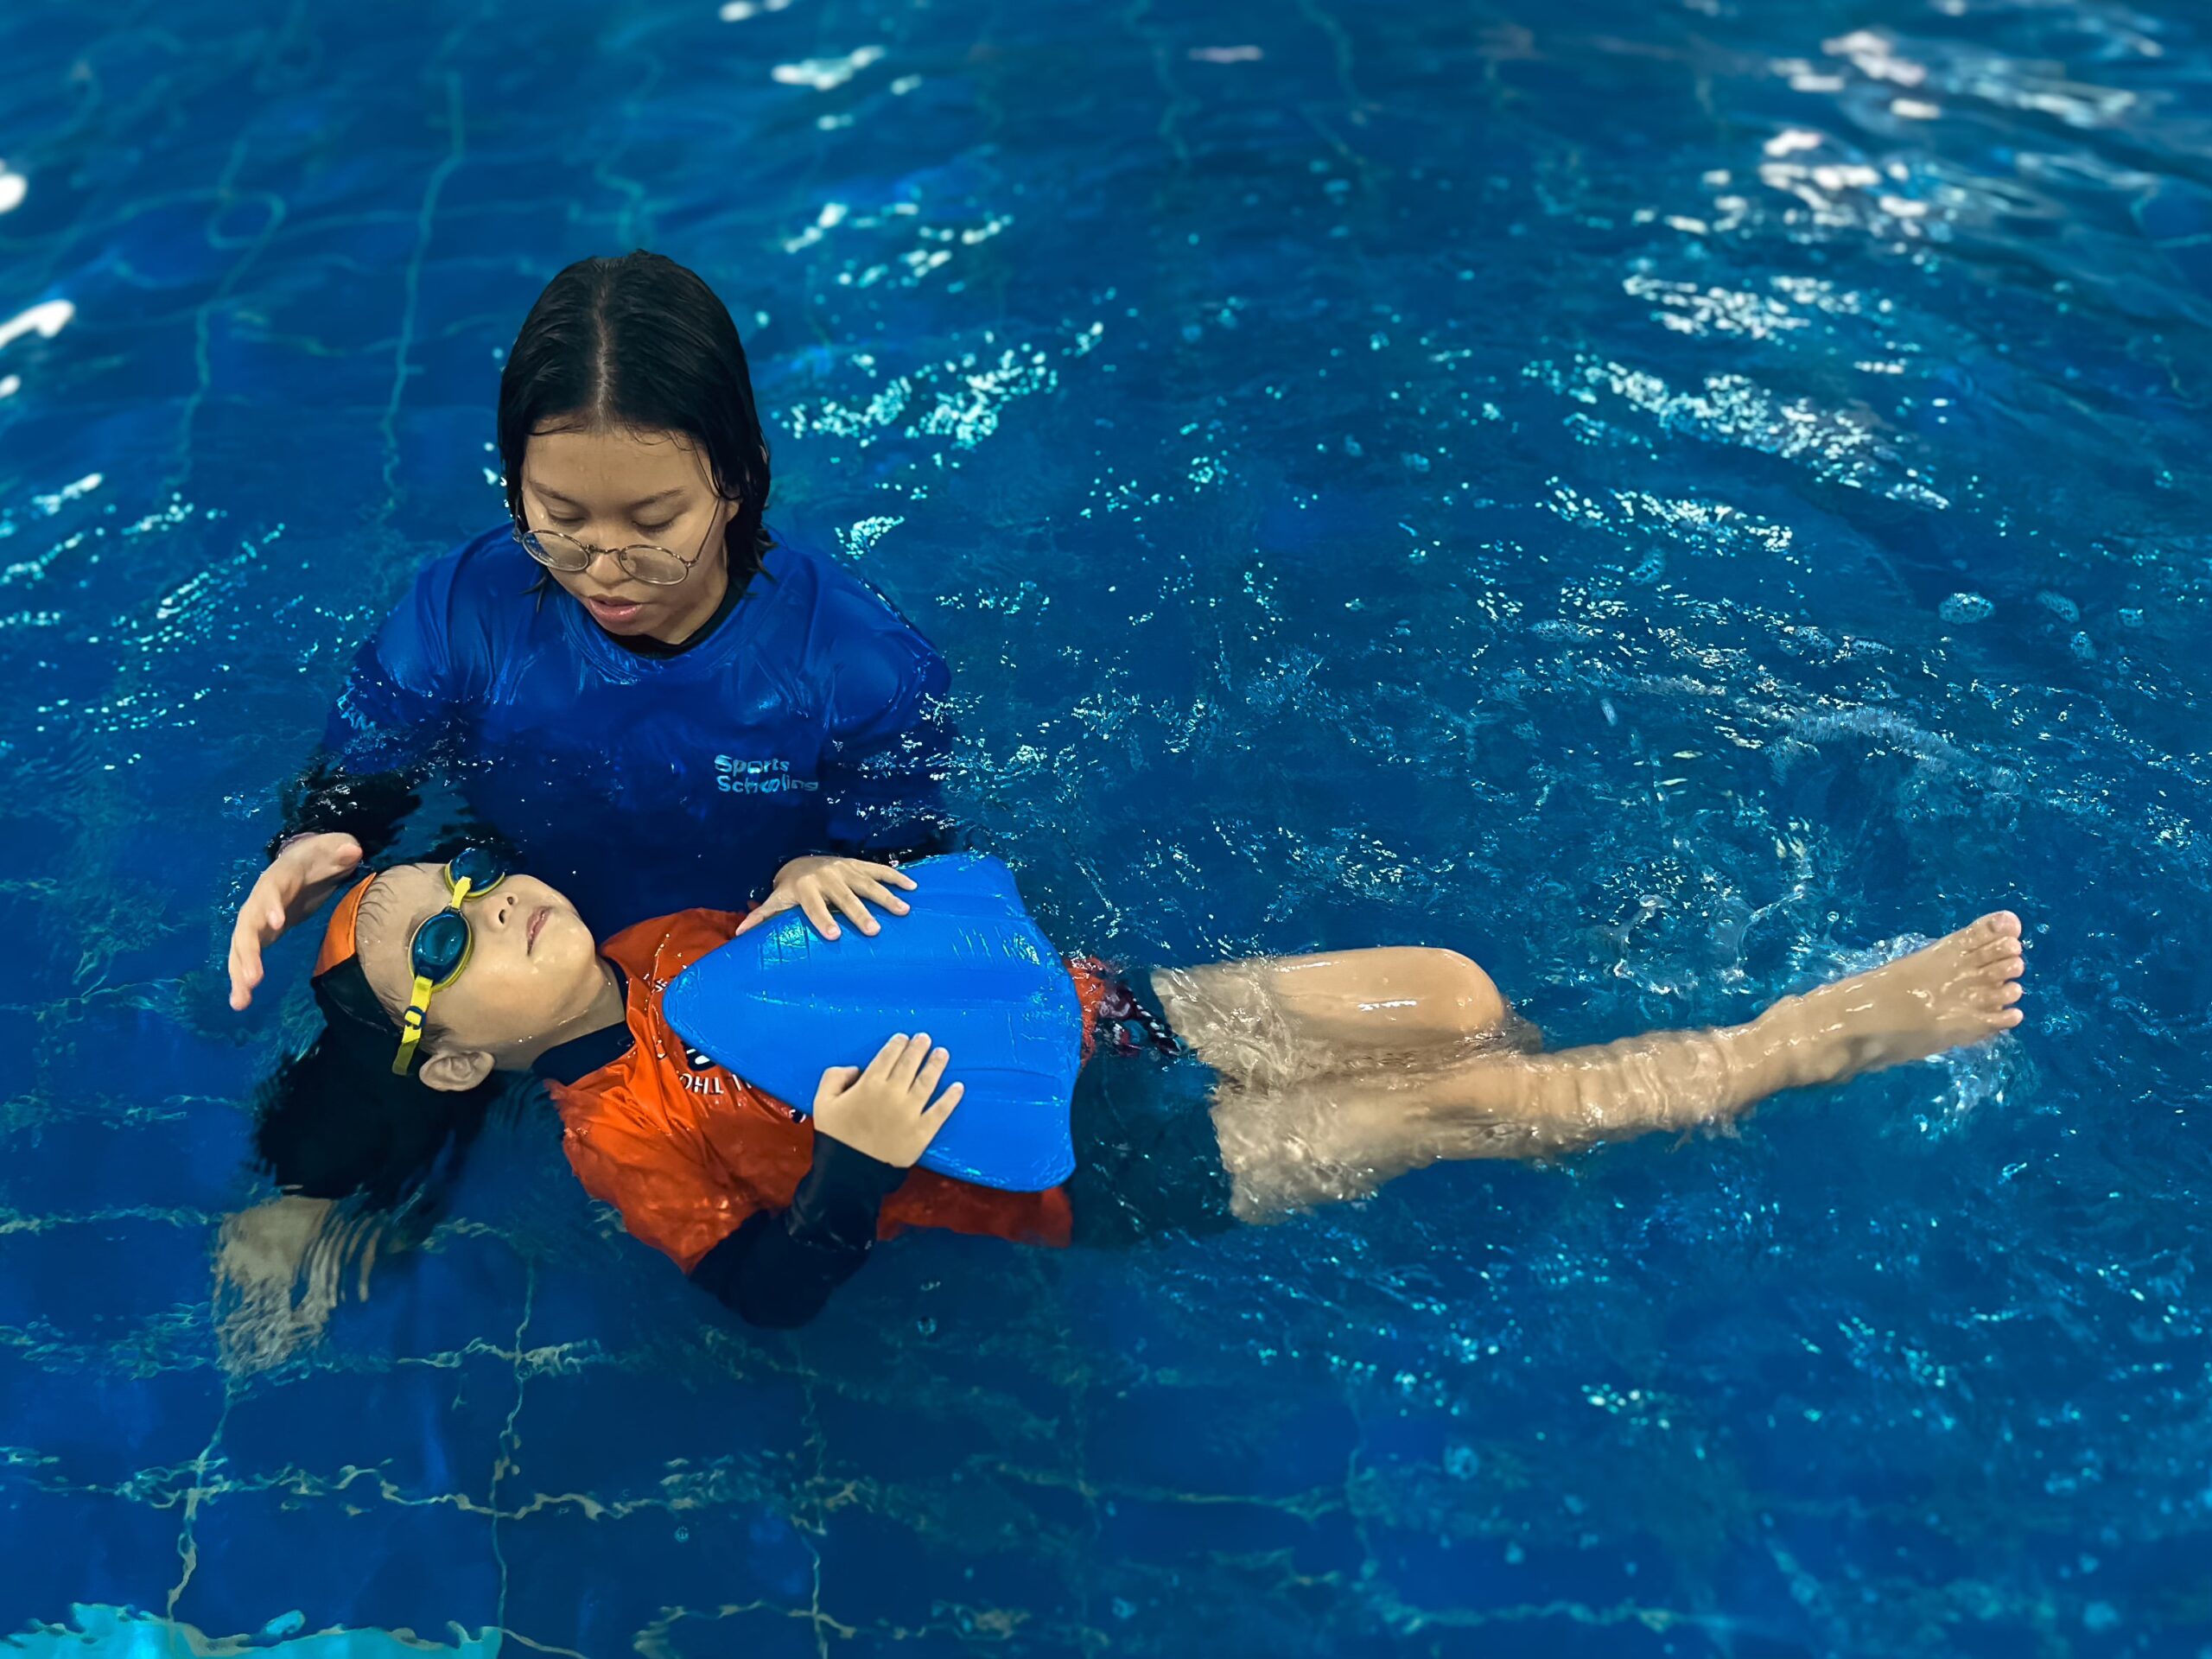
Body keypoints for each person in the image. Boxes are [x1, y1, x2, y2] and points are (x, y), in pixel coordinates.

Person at [296, 848, 2028, 1329]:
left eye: (449, 886)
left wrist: (830, 865)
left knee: (1454, 998)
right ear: (454, 1056)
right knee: (1458, 1107)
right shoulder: (618, 1139)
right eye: (433, 956)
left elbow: (925, 923)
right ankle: (1796, 1046)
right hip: (1077, 1175)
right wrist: (849, 1170)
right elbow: (758, 1298)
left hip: (1119, 1017)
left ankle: (1599, 1092)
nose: (475, 910)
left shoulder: (681, 928)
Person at [225, 251, 949, 1015]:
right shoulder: (461, 615)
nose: (604, 568)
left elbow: (905, 872)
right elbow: (362, 776)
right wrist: (315, 840)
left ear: (741, 481)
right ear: (515, 484)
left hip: (749, 977)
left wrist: (828, 872)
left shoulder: (858, 667)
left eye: (653, 522)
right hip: (511, 969)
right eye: (562, 519)